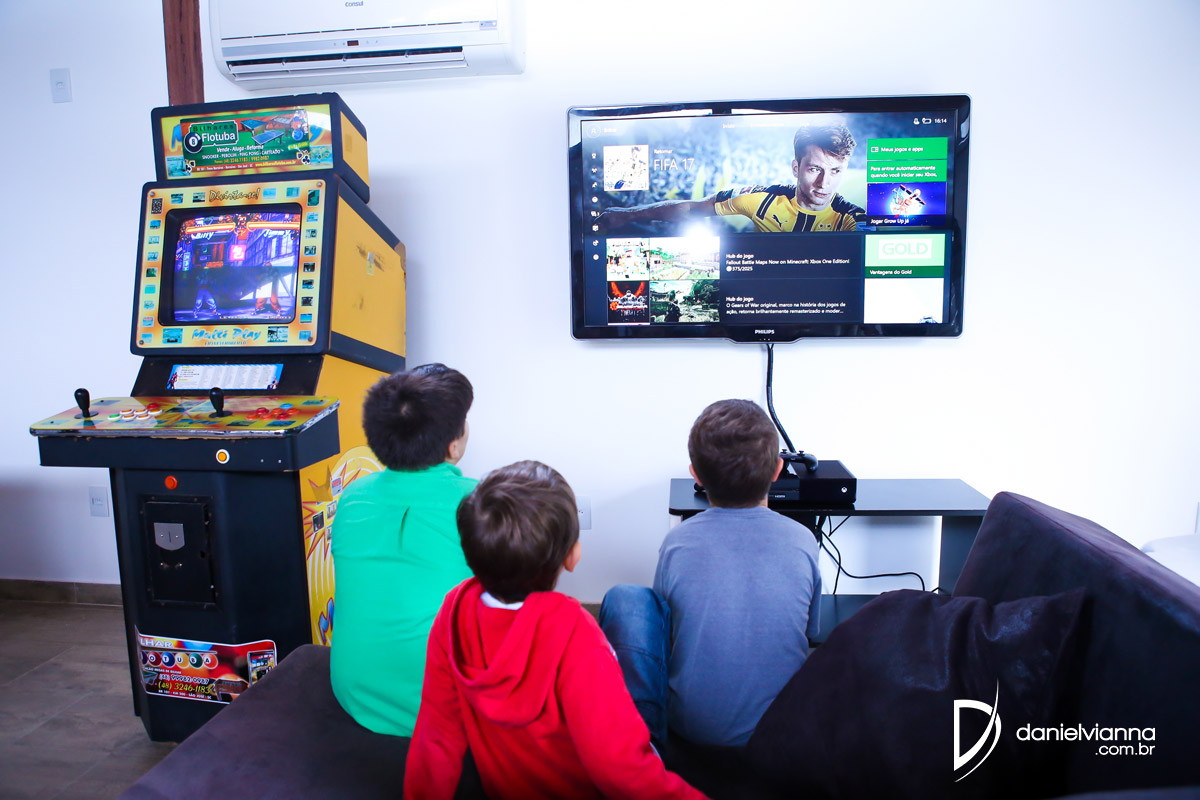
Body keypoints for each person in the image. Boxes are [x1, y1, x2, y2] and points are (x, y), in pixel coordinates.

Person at [404, 461, 705, 800]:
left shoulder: (454, 611)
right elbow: (620, 769)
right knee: (632, 604)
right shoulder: (575, 633)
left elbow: (436, 737)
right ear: (572, 556)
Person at [600, 399, 822, 749]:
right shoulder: (803, 540)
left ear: (696, 476)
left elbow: (665, 635)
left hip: (692, 731)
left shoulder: (678, 542)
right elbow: (810, 634)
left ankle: (642, 748)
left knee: (629, 598)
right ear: (778, 470)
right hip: (779, 732)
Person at [329, 363, 476, 737]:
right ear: (454, 443)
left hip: (357, 694)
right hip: (448, 708)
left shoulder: (353, 496)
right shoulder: (480, 501)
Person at [597, 124, 863, 233]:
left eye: (836, 171)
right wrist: (627, 215)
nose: (824, 183)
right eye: (815, 169)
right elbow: (692, 208)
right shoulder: (762, 200)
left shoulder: (851, 219)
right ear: (796, 167)